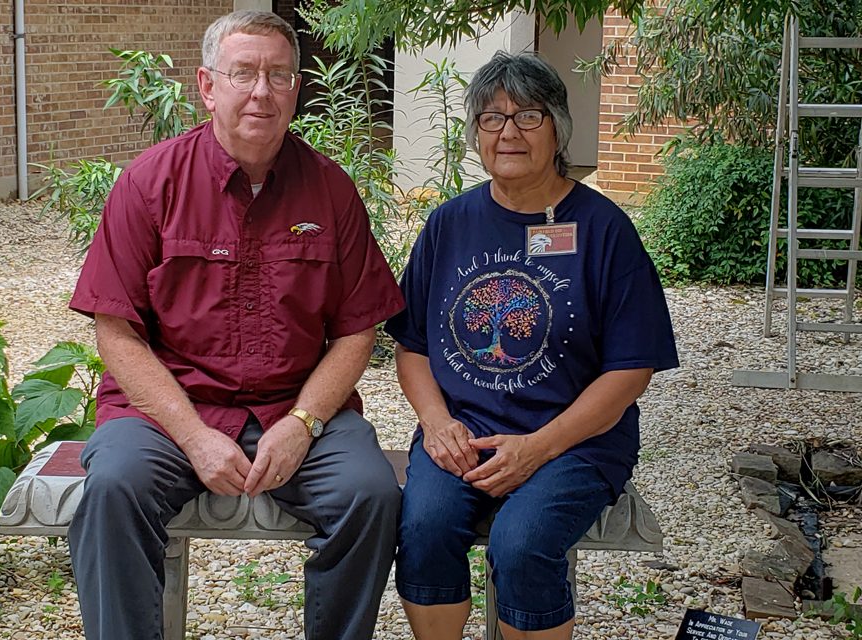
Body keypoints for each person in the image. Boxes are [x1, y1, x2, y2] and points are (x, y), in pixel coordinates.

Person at [66, 10, 405, 640]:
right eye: (243, 73)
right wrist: (193, 436)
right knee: (114, 488)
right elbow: (116, 331)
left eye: (279, 75)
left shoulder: (330, 190)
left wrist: (303, 424)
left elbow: (357, 329)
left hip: (295, 406)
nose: (261, 91)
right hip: (167, 413)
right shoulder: (149, 184)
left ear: (296, 88)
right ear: (207, 85)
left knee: (371, 494)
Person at [385, 52, 679, 640]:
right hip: (463, 432)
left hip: (575, 440)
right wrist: (437, 421)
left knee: (522, 544)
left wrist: (539, 447)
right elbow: (412, 344)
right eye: (491, 118)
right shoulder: (448, 224)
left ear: (559, 128)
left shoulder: (603, 229)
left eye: (528, 116)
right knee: (424, 528)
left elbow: (631, 369)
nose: (509, 132)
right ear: (476, 135)